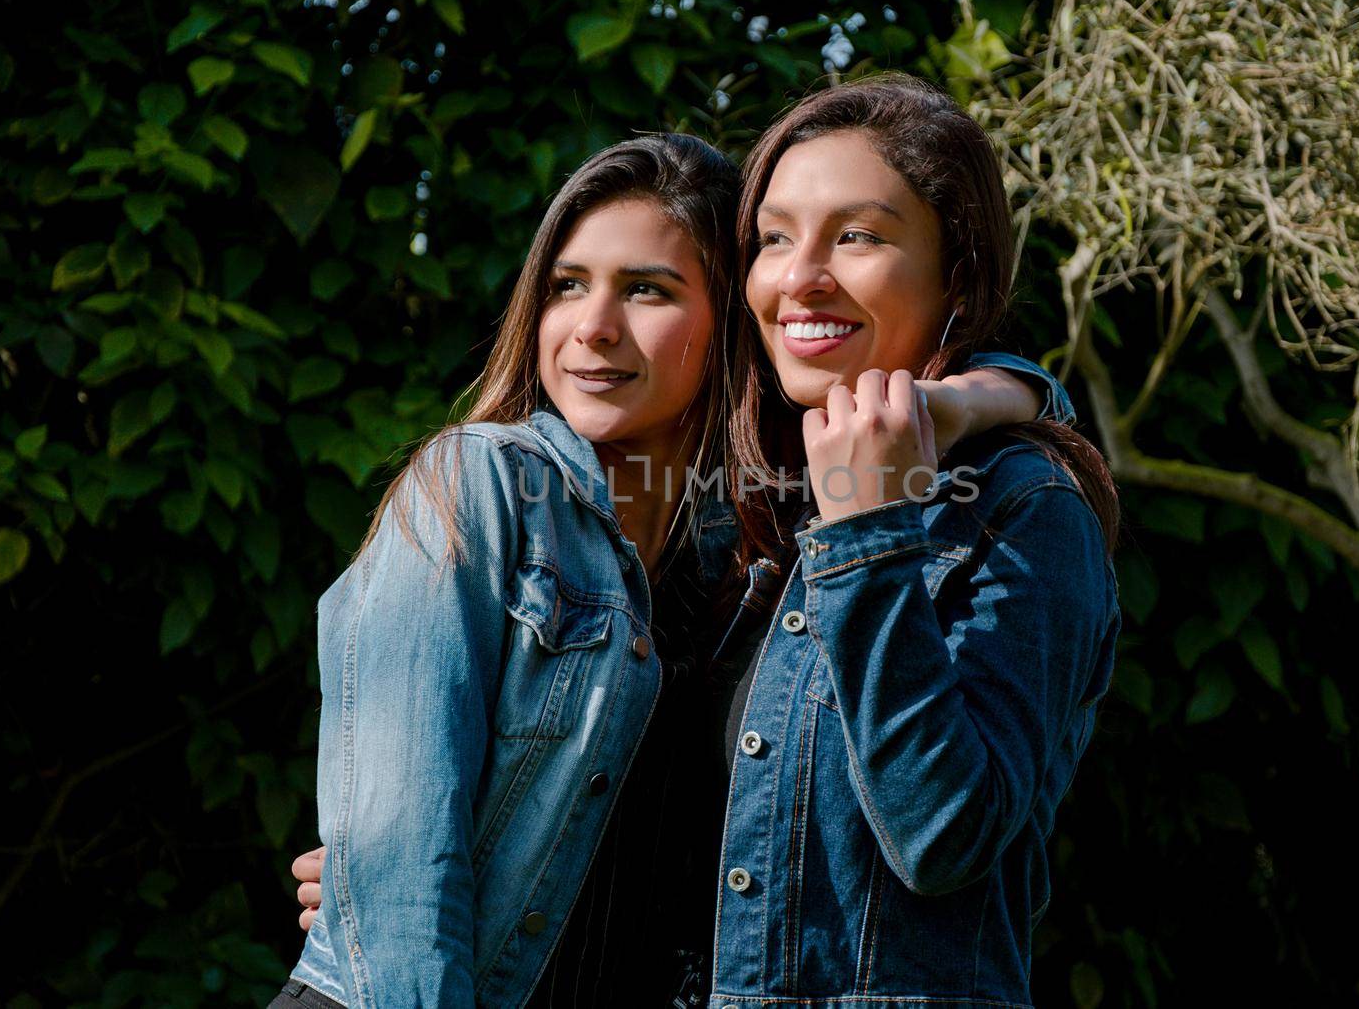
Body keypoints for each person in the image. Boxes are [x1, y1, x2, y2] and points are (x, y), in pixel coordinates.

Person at [274, 127, 1067, 1009]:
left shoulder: (741, 559)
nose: (593, 328)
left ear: (733, 321)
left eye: (647, 290)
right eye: (566, 287)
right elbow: (400, 904)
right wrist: (371, 884)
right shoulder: (479, 484)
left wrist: (971, 397)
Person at [699, 74, 1122, 1006]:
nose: (800, 276)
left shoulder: (1024, 509)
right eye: (774, 237)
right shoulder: (752, 501)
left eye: (857, 236)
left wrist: (871, 535)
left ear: (956, 276)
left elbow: (943, 838)